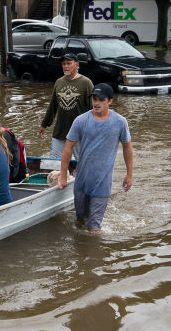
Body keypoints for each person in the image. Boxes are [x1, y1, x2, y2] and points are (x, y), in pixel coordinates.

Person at [58, 83, 134, 233]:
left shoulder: (120, 122)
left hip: (103, 182)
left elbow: (127, 148)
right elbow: (67, 147)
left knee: (93, 228)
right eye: (94, 99)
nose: (96, 103)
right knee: (80, 220)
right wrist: (63, 176)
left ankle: (93, 255)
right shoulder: (81, 121)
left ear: (110, 101)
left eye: (101, 99)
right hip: (82, 180)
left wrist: (129, 174)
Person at [39, 53, 93, 160]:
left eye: (69, 63)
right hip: (60, 131)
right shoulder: (59, 82)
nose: (66, 66)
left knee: (82, 162)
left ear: (77, 65)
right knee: (54, 162)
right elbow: (53, 105)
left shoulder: (86, 83)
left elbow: (94, 108)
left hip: (80, 132)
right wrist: (44, 124)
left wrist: (94, 129)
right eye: (64, 64)